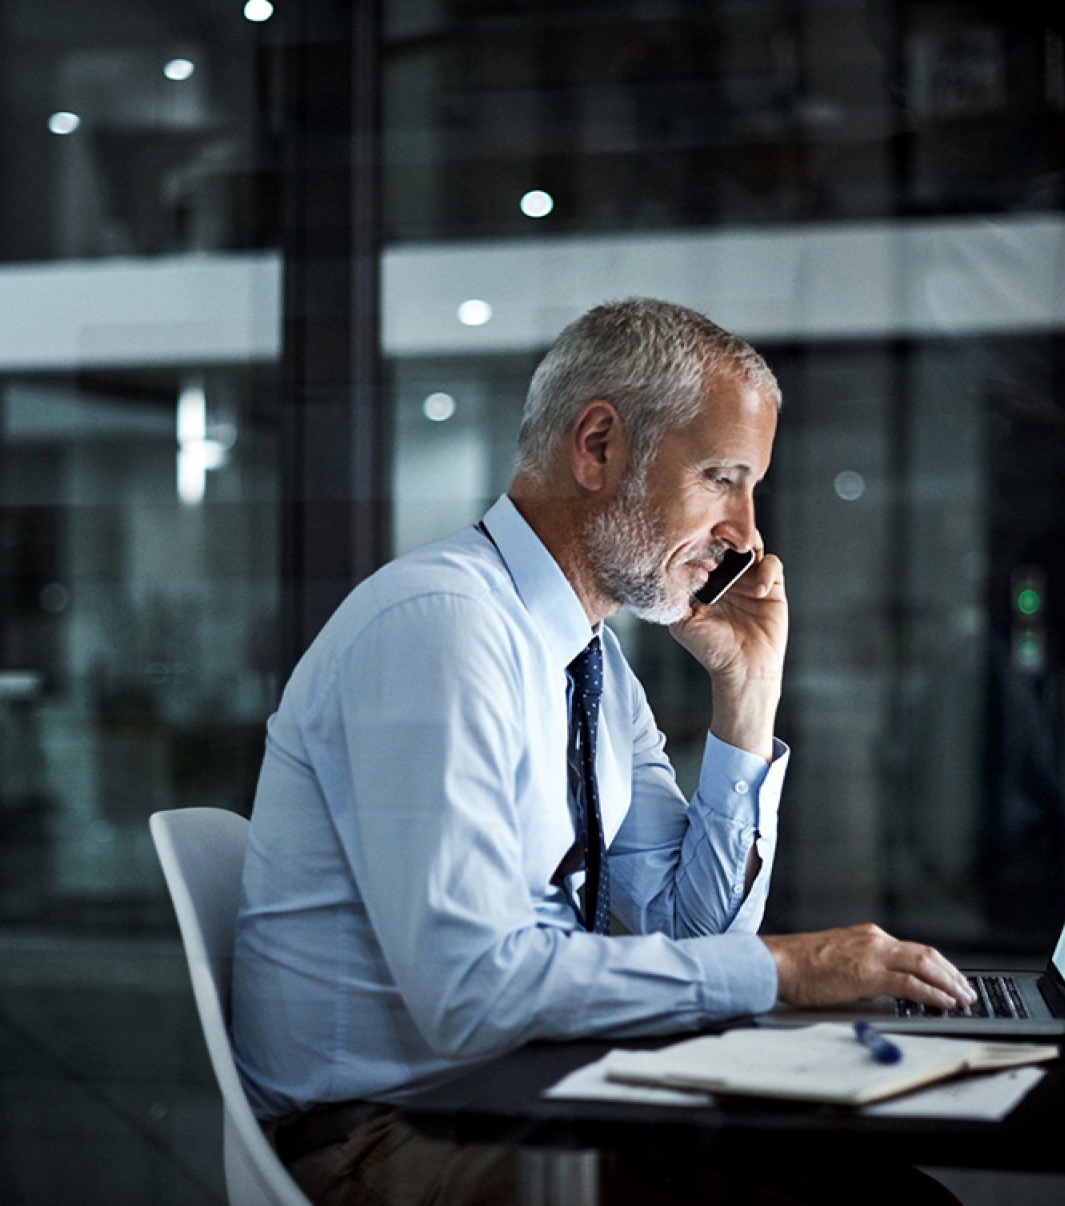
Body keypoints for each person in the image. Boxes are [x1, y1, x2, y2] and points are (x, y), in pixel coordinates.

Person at [229, 298, 975, 1204]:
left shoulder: (592, 663)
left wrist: (747, 696)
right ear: (597, 448)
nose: (747, 533)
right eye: (720, 477)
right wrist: (787, 968)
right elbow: (470, 990)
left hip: (517, 1099)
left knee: (883, 1189)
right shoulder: (441, 628)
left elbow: (691, 937)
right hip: (385, 1143)